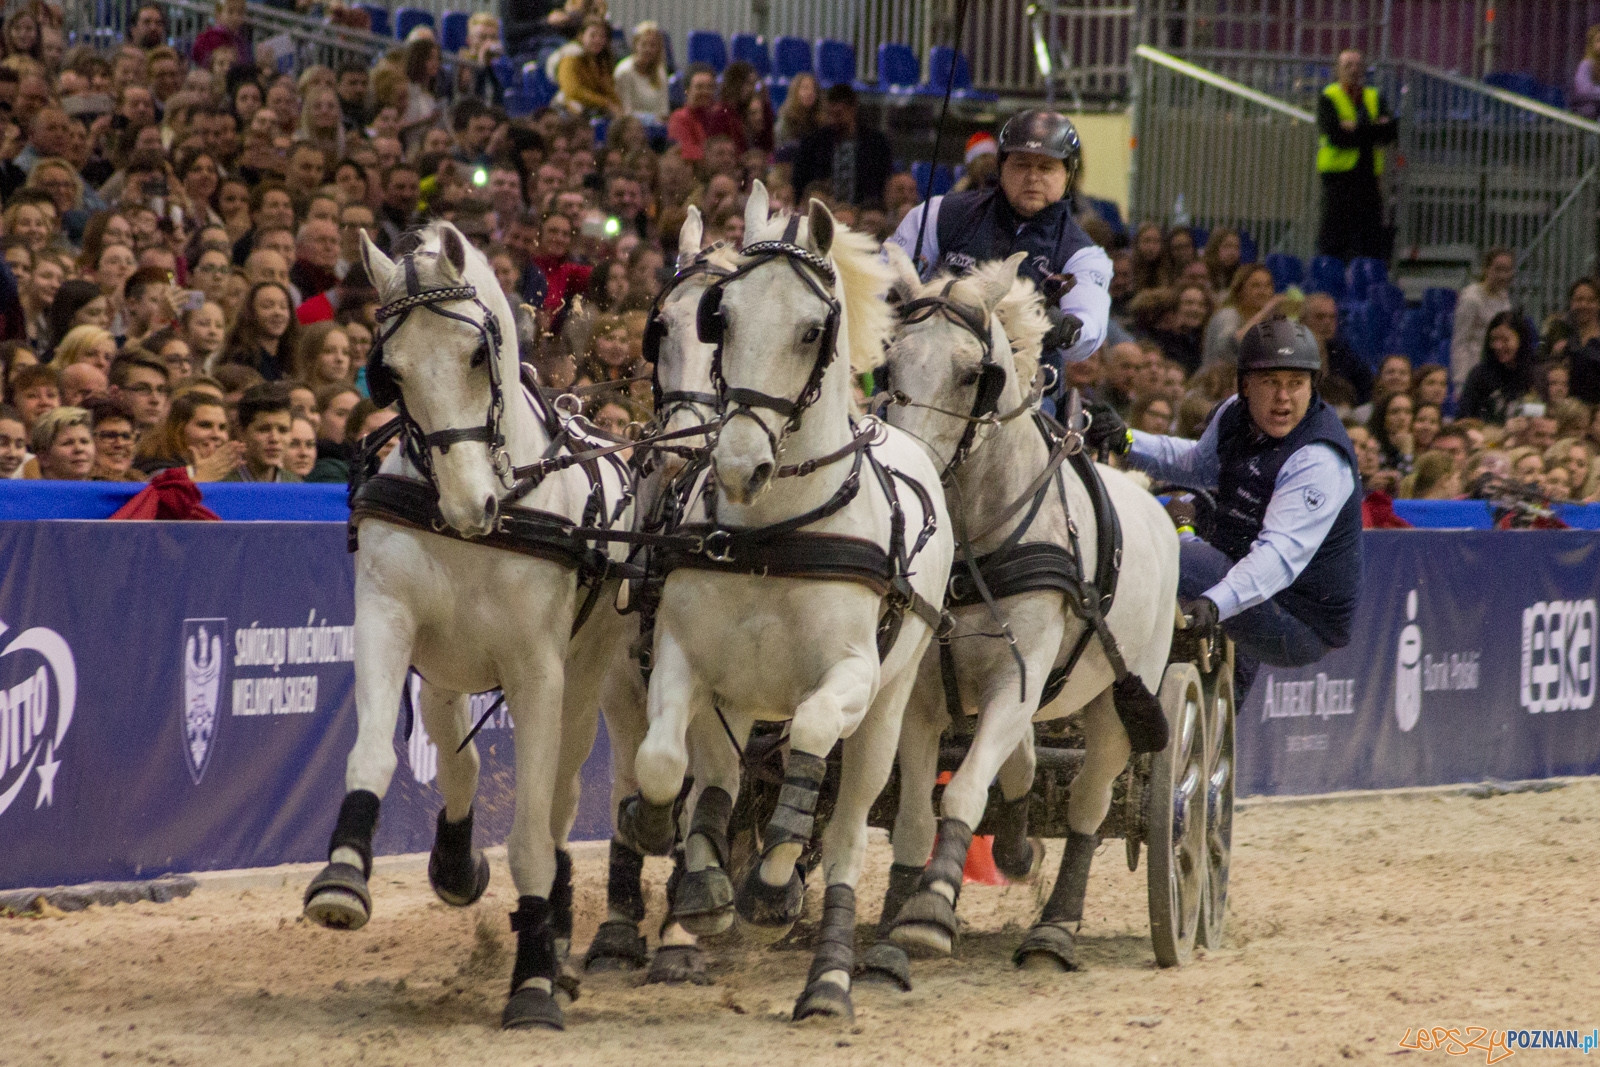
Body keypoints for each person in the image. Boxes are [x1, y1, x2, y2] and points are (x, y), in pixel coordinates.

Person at [1089, 316, 1361, 698]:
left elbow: (1276, 559)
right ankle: (1221, 690)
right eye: (1270, 382)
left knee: (1163, 553)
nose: (1283, 397)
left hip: (1299, 619)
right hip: (1242, 573)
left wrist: (1215, 604)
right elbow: (1197, 465)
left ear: (1312, 387)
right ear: (1245, 385)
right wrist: (1127, 440)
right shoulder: (1235, 412)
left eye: (1295, 384)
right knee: (1195, 559)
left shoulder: (1318, 459)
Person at [888, 110, 1112, 389]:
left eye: (1046, 167)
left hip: (1026, 391)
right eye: (1021, 165)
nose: (1032, 177)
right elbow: (883, 282)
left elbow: (1088, 333)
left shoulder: (1083, 254)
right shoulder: (938, 214)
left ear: (1068, 174)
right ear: (1001, 167)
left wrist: (1061, 326)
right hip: (928, 373)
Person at [1315, 49, 1397, 262]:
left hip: (1368, 179)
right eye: (1347, 65)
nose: (1353, 70)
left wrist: (1356, 129)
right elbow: (1336, 136)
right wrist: (1372, 130)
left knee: (1371, 240)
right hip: (1339, 180)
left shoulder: (1374, 96)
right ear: (1337, 70)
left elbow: (1390, 133)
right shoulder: (1328, 96)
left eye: (1358, 65)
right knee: (1334, 239)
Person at [789, 84, 893, 208]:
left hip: (863, 210)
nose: (833, 121)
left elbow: (882, 185)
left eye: (838, 114)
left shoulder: (876, 144)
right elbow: (800, 182)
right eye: (829, 114)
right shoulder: (813, 143)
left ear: (852, 109)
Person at [1450, 248, 1514, 388]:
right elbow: (1460, 343)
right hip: (1474, 372)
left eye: (1507, 270)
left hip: (1497, 370)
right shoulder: (1471, 298)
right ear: (1486, 269)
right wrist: (1462, 382)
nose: (1503, 275)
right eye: (1498, 269)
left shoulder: (1504, 298)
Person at [1459, 310, 1535, 423]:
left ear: (1521, 340)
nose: (1498, 346)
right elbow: (1464, 417)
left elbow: (1538, 415)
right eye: (1494, 340)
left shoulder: (1534, 374)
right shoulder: (1480, 375)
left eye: (1505, 340)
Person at [1301, 291, 1374, 403]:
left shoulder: (1346, 354)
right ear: (1303, 320)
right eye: (1320, 317)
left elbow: (1366, 389)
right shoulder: (1293, 352)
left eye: (1332, 317)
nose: (1327, 322)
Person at [223, 382, 300, 482]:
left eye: (283, 430)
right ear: (241, 432)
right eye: (264, 429)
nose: (274, 439)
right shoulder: (219, 484)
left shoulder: (295, 485)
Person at [613, 21, 668, 121]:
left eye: (652, 45)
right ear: (635, 45)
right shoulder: (624, 71)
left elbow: (663, 111)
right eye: (644, 44)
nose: (648, 49)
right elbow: (625, 112)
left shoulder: (660, 71)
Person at [28, 405, 96, 480]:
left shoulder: (106, 490)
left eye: (84, 442)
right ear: (44, 457)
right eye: (68, 443)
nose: (79, 449)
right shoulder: (27, 491)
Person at [1574, 26, 1600, 120]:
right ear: (1591, 45)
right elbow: (1584, 90)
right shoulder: (1586, 64)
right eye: (1598, 41)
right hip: (1587, 116)